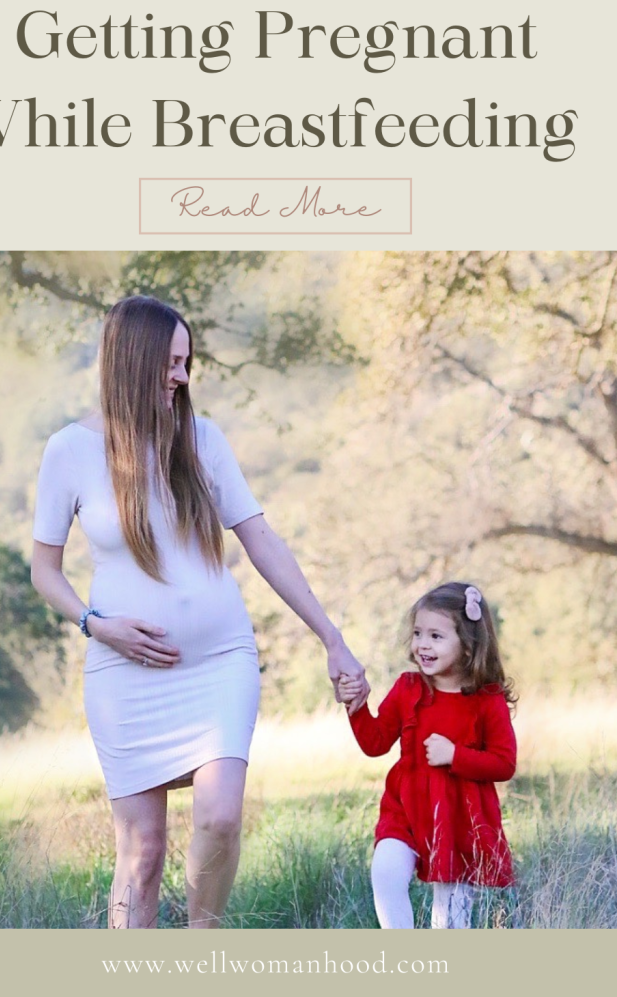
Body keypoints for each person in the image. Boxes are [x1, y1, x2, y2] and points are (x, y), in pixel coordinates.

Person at [31, 295, 368, 930]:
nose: (183, 377)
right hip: (123, 675)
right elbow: (44, 570)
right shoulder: (68, 451)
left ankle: (200, 951)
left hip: (218, 662)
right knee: (143, 851)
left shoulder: (201, 438)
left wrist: (332, 637)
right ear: (132, 361)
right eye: (173, 363)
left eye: (187, 363)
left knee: (220, 815)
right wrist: (95, 623)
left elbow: (261, 540)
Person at [338, 581, 516, 929]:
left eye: (436, 636)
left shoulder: (487, 699)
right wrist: (356, 707)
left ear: (468, 645)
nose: (422, 644)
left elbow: (504, 763)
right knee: (385, 873)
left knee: (450, 920)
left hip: (457, 820)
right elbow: (375, 743)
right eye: (418, 633)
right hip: (405, 810)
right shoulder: (408, 688)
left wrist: (455, 755)